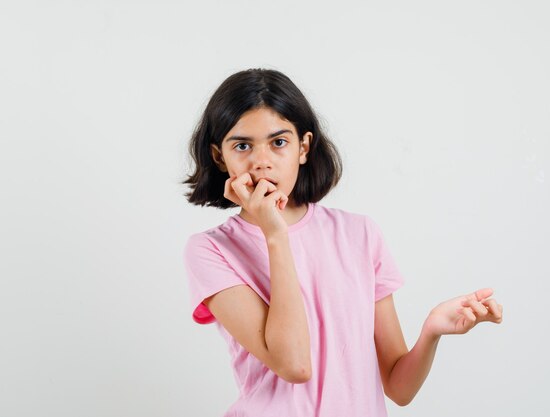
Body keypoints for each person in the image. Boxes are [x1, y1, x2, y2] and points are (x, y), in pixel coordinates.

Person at [181, 68, 504, 417]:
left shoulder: (359, 234)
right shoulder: (211, 251)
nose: (262, 162)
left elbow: (399, 388)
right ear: (219, 157)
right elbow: (294, 365)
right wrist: (274, 233)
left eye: (279, 142)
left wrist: (431, 331)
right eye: (242, 145)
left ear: (303, 147)